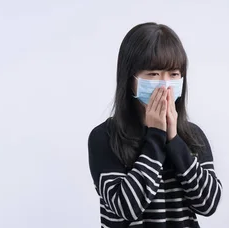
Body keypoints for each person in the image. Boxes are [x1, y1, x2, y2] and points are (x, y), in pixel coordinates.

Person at [88, 22, 222, 228]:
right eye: (153, 74)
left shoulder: (193, 135)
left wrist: (174, 140)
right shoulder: (105, 137)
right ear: (129, 78)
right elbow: (126, 208)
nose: (164, 84)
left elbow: (208, 204)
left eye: (173, 74)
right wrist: (155, 136)